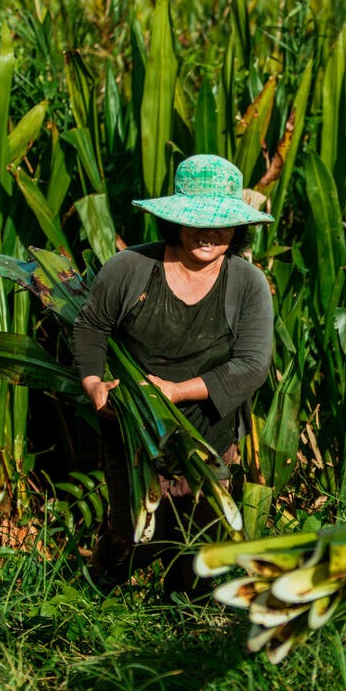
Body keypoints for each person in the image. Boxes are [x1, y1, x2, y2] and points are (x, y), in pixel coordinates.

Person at [73, 154, 274, 597]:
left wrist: (175, 392)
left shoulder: (247, 284)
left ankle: (184, 621)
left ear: (237, 229)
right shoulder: (130, 269)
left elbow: (253, 364)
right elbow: (91, 327)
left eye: (220, 223)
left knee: (197, 547)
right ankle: (95, 598)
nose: (208, 234)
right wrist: (93, 386)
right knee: (132, 534)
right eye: (196, 221)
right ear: (175, 222)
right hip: (134, 426)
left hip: (209, 434)